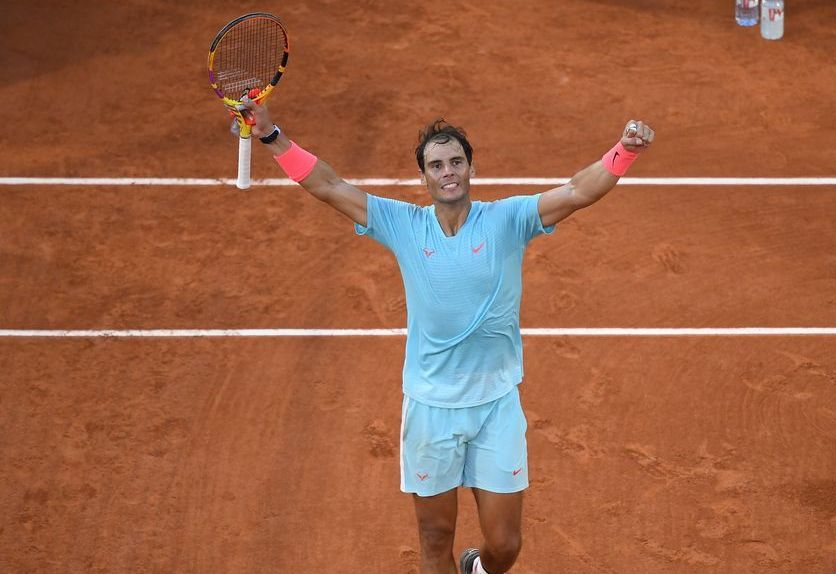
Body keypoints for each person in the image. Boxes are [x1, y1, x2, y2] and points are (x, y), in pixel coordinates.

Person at [242, 99, 654, 574]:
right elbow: (329, 186)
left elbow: (578, 191)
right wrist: (271, 135)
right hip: (431, 409)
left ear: (472, 168)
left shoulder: (508, 219)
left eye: (456, 161)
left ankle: (476, 567)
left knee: (505, 545)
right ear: (424, 177)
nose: (448, 172)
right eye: (436, 165)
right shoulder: (402, 224)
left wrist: (624, 151)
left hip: (495, 404)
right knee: (435, 538)